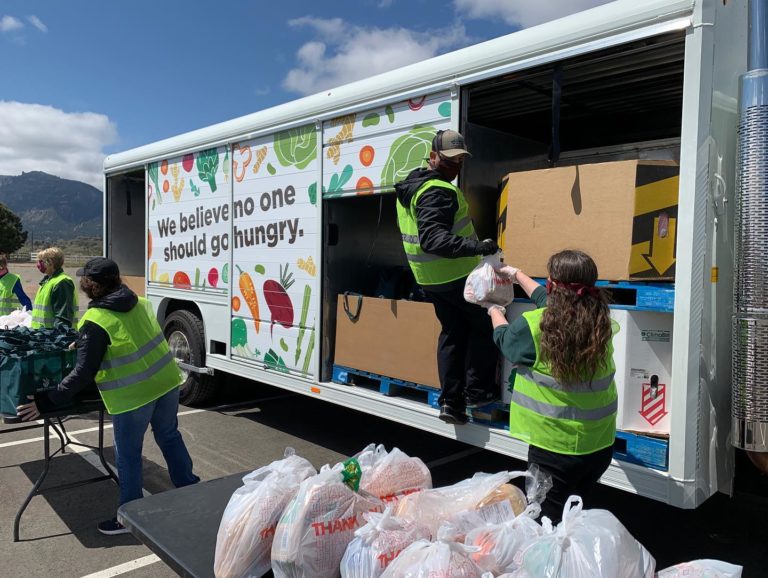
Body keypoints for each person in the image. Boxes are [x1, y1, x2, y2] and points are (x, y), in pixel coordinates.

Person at [17, 257, 200, 535]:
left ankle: (130, 517)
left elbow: (82, 374)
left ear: (92, 285)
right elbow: (132, 335)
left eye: (85, 280)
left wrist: (45, 401)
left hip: (133, 396)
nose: (82, 284)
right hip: (166, 384)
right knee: (169, 436)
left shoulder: (95, 319)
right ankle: (189, 486)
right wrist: (87, 342)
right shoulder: (140, 302)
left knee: (128, 455)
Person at [487, 250, 618, 523]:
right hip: (598, 447)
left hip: (554, 451)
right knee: (575, 519)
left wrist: (493, 310)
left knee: (543, 523)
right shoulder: (600, 320)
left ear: (553, 285)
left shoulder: (534, 327)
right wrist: (516, 275)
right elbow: (556, 301)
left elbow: (505, 340)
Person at [395, 129, 500, 425]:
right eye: (450, 160)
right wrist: (478, 246)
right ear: (432, 157)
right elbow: (433, 240)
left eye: (460, 162)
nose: (455, 168)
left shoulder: (413, 187)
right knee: (485, 326)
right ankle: (478, 393)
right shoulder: (437, 190)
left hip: (430, 280)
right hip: (455, 278)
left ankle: (451, 404)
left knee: (452, 334)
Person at [31, 246, 79, 328]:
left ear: (50, 262)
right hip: (41, 336)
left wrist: (59, 338)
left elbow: (63, 318)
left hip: (52, 338)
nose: (38, 264)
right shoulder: (47, 281)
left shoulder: (62, 282)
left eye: (41, 261)